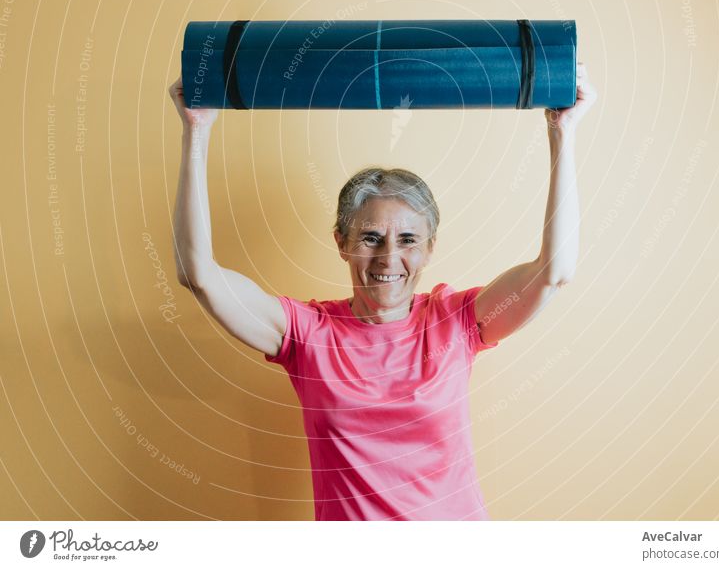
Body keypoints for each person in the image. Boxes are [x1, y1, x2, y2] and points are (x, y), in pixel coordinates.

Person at [168, 62, 597, 520]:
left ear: (430, 248)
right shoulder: (307, 336)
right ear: (342, 243)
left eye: (408, 240)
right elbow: (198, 274)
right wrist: (196, 130)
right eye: (371, 237)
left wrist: (562, 132)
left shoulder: (457, 323)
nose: (389, 258)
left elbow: (555, 270)